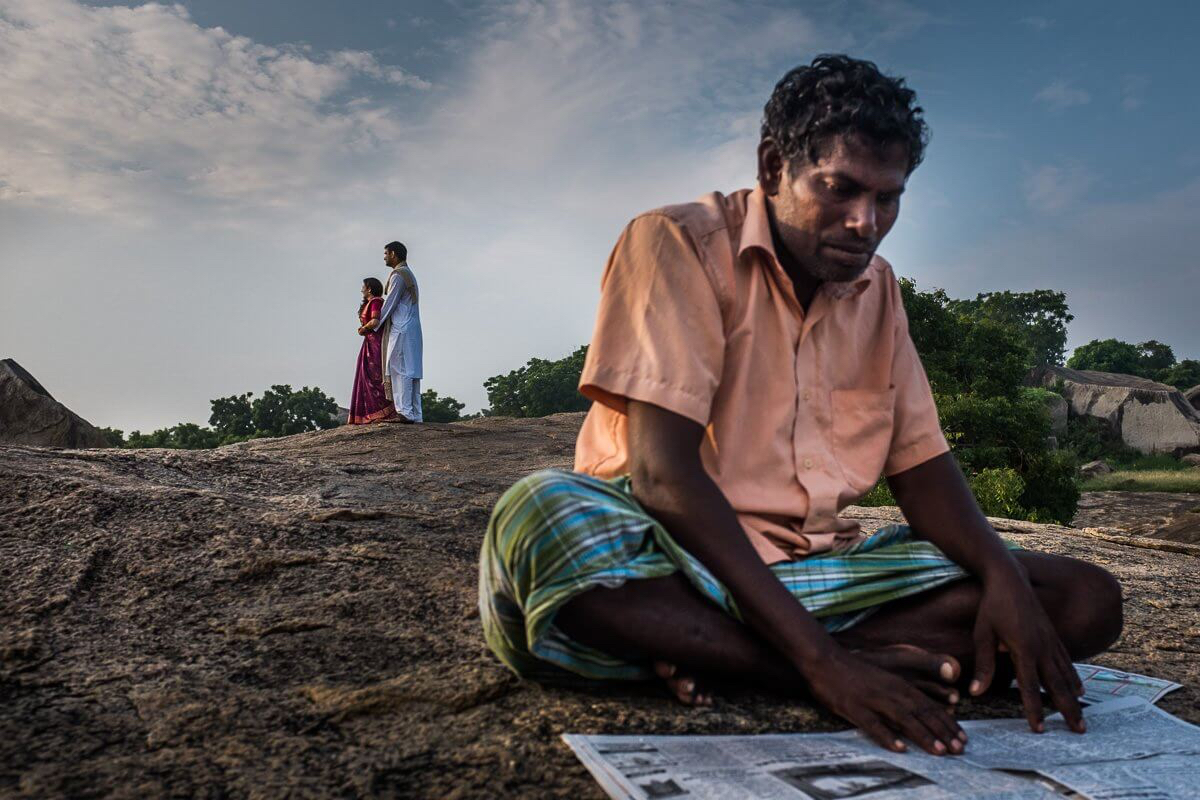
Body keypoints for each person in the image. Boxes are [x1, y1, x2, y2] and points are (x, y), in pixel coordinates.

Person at [479, 55, 1123, 757]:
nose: (864, 222)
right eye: (839, 189)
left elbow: (924, 470)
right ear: (771, 165)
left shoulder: (878, 291)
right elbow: (663, 478)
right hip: (676, 563)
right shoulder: (677, 243)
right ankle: (805, 666)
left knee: (1083, 602)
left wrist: (1002, 574)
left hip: (820, 574)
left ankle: (725, 656)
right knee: (540, 518)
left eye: (888, 198)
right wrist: (823, 664)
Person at [377, 241, 423, 423]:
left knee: (400, 369)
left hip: (402, 327)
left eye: (386, 253)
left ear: (394, 254)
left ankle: (404, 412)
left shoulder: (398, 275)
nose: (384, 257)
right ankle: (415, 414)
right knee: (411, 371)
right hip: (411, 327)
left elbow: (390, 303)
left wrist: (374, 323)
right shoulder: (408, 273)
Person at [347, 277, 397, 425]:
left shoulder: (376, 301)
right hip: (369, 342)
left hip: (376, 342)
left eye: (363, 286)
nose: (362, 289)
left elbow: (375, 321)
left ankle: (383, 413)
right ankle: (371, 414)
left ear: (369, 288)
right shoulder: (370, 302)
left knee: (375, 377)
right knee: (366, 376)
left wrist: (364, 328)